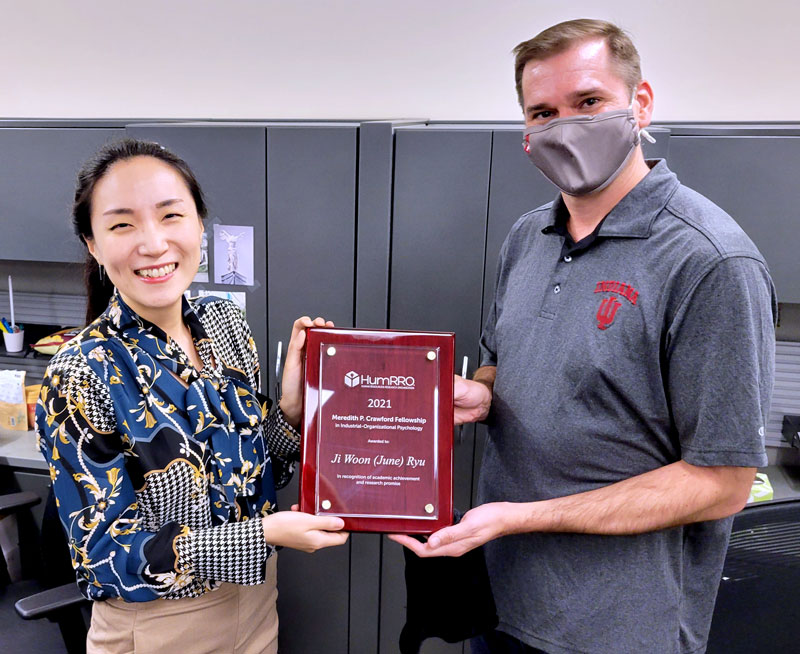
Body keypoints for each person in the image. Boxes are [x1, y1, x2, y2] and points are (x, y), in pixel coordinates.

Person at [391, 18, 776, 654]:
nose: (564, 126)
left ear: (640, 103)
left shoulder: (710, 260)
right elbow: (500, 358)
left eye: (589, 102)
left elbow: (724, 482)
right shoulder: (528, 236)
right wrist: (483, 392)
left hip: (617, 627)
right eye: (542, 111)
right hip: (501, 599)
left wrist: (523, 518)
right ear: (524, 131)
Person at [35, 139, 348, 654]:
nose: (153, 243)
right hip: (157, 627)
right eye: (121, 224)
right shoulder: (80, 372)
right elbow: (106, 555)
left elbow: (252, 467)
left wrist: (291, 411)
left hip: (256, 601)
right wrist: (262, 534)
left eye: (170, 215)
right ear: (92, 244)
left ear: (201, 225)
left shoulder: (225, 325)